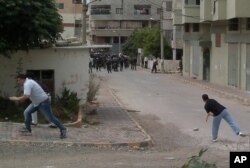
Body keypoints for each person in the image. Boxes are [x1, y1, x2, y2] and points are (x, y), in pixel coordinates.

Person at [9, 74, 67, 139]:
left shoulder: (27, 83)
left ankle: (63, 129)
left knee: (51, 118)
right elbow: (27, 95)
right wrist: (22, 98)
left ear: (23, 79)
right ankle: (28, 129)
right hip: (36, 102)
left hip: (43, 102)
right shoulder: (28, 82)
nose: (18, 82)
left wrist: (16, 98)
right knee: (27, 112)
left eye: (19, 80)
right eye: (17, 80)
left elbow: (26, 96)